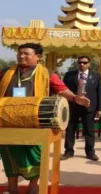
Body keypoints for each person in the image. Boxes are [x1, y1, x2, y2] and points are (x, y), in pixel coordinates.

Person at [0, 43, 90, 194]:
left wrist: (75, 98)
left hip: (36, 122)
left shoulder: (47, 73)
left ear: (38, 56)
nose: (21, 56)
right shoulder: (5, 72)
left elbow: (62, 89)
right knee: (10, 154)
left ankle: (33, 186)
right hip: (9, 121)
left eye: (26, 54)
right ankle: (12, 187)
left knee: (35, 154)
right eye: (20, 53)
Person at [61, 56, 101, 162]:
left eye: (84, 62)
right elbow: (63, 90)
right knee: (70, 129)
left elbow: (100, 93)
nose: (82, 64)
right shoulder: (69, 75)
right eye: (80, 62)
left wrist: (99, 109)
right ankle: (68, 151)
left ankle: (90, 152)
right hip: (72, 106)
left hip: (89, 106)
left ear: (89, 64)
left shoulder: (96, 76)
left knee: (89, 130)